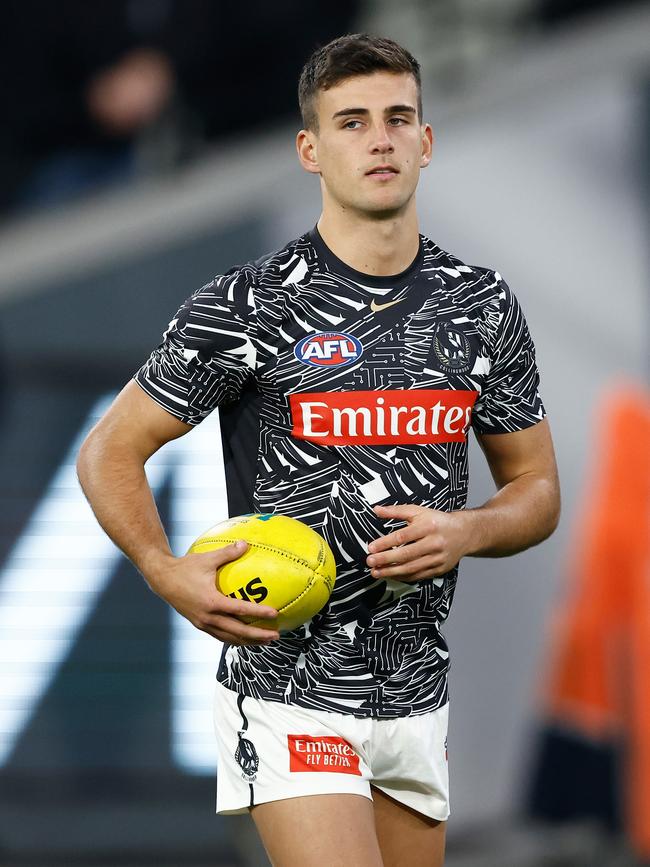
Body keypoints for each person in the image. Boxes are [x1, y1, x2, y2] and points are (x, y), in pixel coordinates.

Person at [77, 34, 560, 867]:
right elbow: (108, 452)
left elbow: (537, 488)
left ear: (426, 141)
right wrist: (164, 568)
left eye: (398, 118)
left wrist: (468, 531)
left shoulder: (480, 306)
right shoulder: (248, 303)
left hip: (414, 688)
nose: (379, 138)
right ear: (310, 148)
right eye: (352, 122)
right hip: (288, 686)